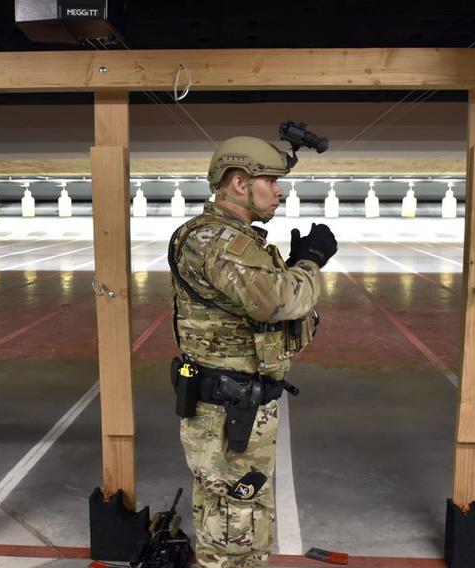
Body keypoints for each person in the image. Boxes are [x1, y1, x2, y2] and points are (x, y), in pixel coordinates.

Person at [168, 136, 337, 568]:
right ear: (240, 183)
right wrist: (310, 261)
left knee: (234, 517)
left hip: (235, 407)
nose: (279, 191)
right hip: (230, 413)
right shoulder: (216, 240)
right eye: (272, 181)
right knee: (234, 528)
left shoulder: (232, 240)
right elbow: (281, 301)